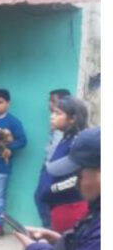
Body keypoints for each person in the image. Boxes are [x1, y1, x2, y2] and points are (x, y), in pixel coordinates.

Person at [35, 96, 90, 233]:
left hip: (67, 207)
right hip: (54, 206)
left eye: (58, 113)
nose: (52, 117)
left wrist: (51, 189)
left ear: (73, 119)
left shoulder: (77, 142)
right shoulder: (65, 138)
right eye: (53, 112)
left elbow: (78, 177)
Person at [0, 89, 27, 236]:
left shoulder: (13, 122)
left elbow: (22, 141)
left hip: (2, 166)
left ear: (7, 104)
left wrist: (8, 147)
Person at [37, 88, 73, 226]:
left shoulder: (69, 134)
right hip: (49, 165)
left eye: (53, 101)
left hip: (55, 168)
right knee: (40, 197)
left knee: (45, 198)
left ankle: (49, 229)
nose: (49, 104)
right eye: (49, 100)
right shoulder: (56, 124)